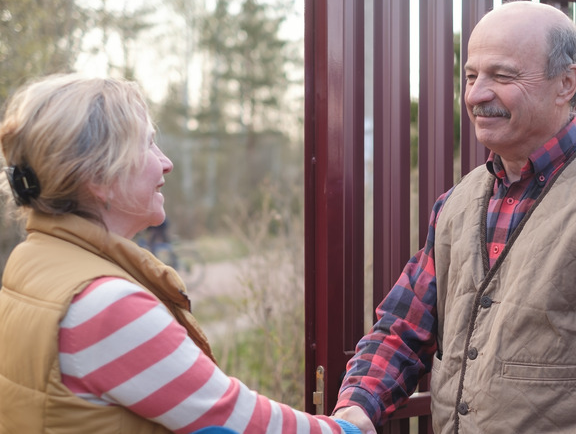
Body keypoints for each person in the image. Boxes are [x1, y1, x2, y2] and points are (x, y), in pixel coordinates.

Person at [332, 1, 576, 434]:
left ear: (566, 83)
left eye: (502, 75)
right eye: (471, 76)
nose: (477, 94)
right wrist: (357, 406)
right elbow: (402, 329)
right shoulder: (456, 204)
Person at [0, 74, 361, 434]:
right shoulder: (107, 306)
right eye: (148, 145)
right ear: (99, 177)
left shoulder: (33, 260)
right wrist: (346, 430)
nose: (166, 162)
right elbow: (236, 421)